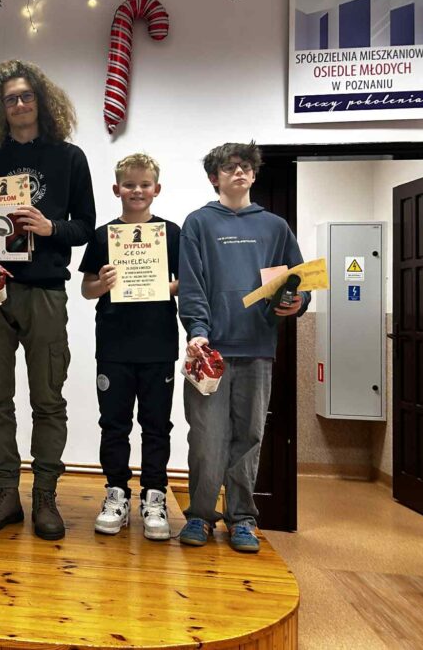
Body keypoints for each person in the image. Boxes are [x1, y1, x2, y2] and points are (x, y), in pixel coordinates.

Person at [0, 60, 95, 540]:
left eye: (26, 96)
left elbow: (86, 227)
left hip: (45, 292)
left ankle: (45, 496)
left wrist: (50, 227)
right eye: (10, 98)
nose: (18, 104)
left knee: (48, 399)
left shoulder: (70, 158)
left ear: (42, 101)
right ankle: (5, 494)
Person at [178, 141, 308, 553]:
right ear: (214, 177)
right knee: (206, 439)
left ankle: (242, 519)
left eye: (246, 167)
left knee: (249, 437)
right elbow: (192, 284)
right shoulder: (198, 223)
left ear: (253, 174)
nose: (239, 172)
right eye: (230, 167)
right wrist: (197, 330)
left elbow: (298, 281)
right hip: (209, 352)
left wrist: (299, 301)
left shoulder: (275, 227)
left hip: (258, 349)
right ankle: (200, 515)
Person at [79, 153, 179, 541]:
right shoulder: (103, 235)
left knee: (157, 426)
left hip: (158, 345)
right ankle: (116, 494)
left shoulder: (171, 233)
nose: (137, 190)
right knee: (114, 424)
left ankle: (154, 497)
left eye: (144, 184)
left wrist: (163, 285)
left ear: (157, 189)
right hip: (114, 346)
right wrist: (102, 284)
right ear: (116, 189)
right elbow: (87, 289)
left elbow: (187, 282)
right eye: (130, 184)